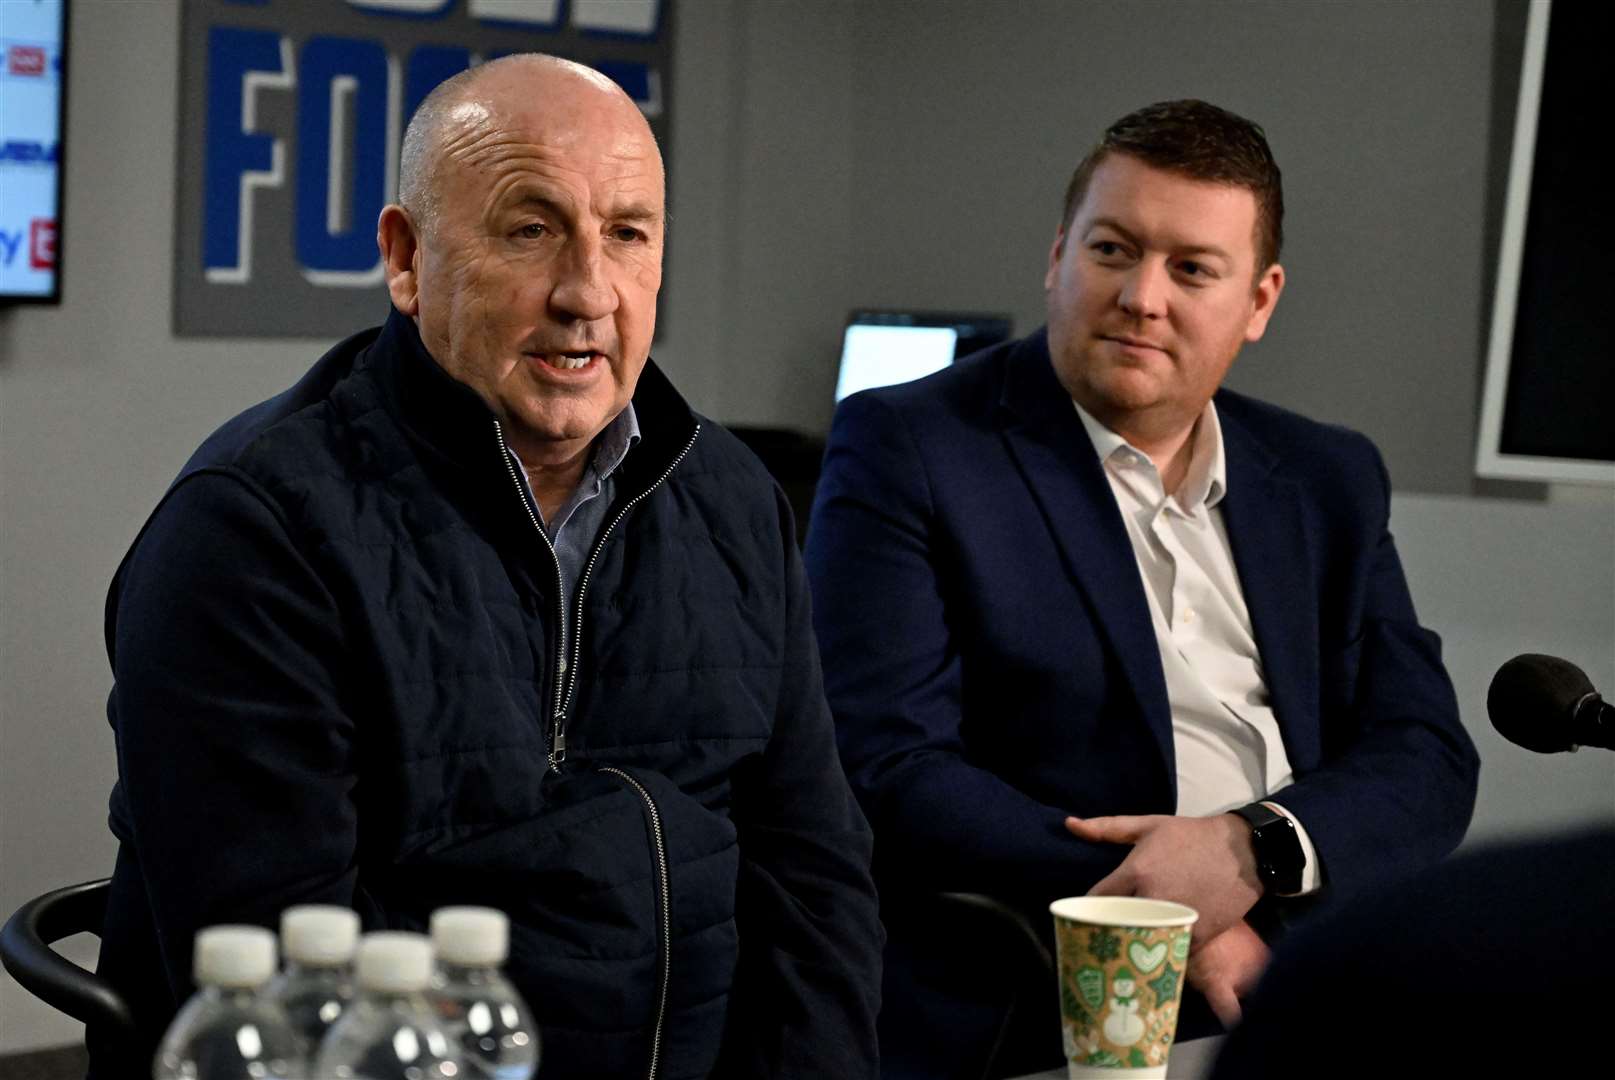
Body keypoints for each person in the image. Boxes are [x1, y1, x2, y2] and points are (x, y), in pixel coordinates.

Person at [95, 54, 881, 1079]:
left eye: (627, 235)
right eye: (529, 229)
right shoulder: (254, 530)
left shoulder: (732, 501)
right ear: (406, 256)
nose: (586, 291)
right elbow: (304, 998)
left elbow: (813, 884)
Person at [803, 99, 1479, 1077]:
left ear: (1259, 300)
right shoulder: (911, 446)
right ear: (1057, 256)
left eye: (1191, 268)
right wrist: (1173, 914)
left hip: (1304, 960)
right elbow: (886, 764)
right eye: (1112, 250)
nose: (1140, 296)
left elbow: (1423, 754)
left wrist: (1251, 854)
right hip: (1038, 986)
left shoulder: (1326, 476)